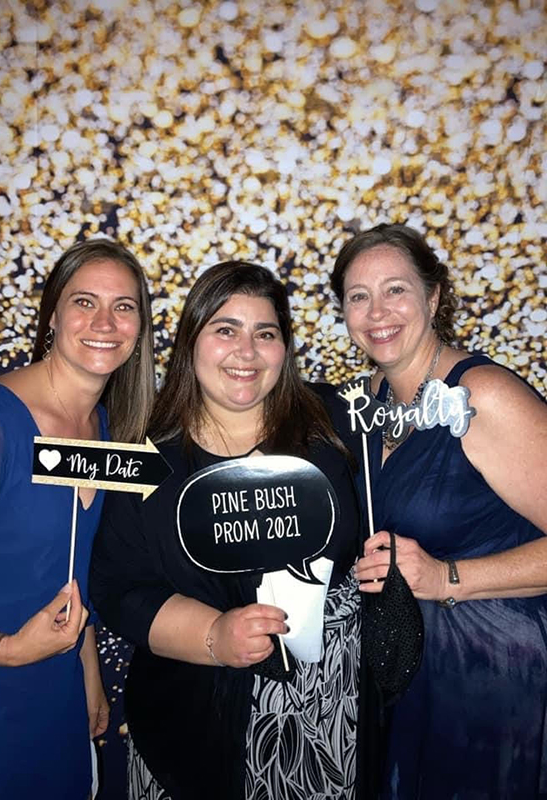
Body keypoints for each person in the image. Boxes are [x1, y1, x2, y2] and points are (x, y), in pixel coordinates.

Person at [90, 261, 364, 800]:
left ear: (285, 348)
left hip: (324, 721)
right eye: (225, 330)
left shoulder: (333, 427)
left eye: (265, 333)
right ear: (191, 341)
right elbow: (120, 589)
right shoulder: (148, 462)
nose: (247, 351)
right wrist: (214, 635)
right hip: (189, 725)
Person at [329, 222, 547, 800]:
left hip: (496, 673)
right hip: (408, 669)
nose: (378, 312)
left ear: (432, 297)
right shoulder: (366, 400)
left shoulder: (486, 396)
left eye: (395, 289)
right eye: (358, 296)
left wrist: (450, 577)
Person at [0, 238, 155, 800]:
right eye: (84, 302)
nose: (105, 322)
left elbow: (69, 563)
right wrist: (2, 648)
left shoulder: (104, 427)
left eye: (124, 306)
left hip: (58, 709)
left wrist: (87, 669)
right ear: (54, 315)